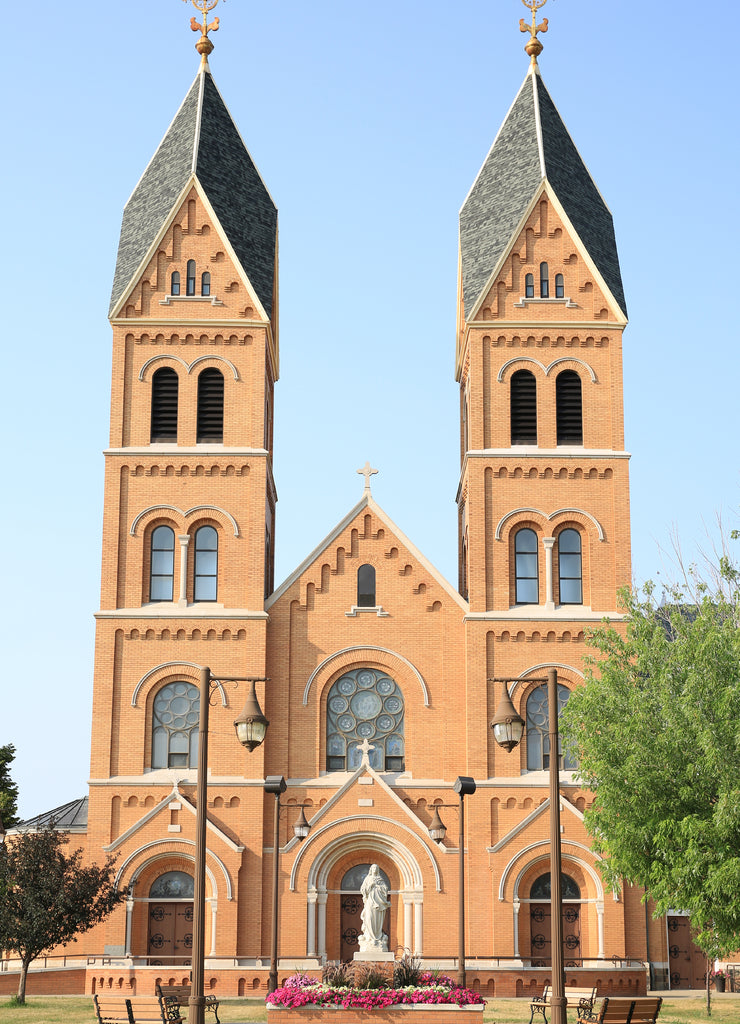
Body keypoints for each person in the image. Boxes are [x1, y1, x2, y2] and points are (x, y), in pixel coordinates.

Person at [358, 864, 390, 952]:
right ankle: (369, 937)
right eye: (373, 868)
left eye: (376, 868)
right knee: (369, 918)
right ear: (371, 869)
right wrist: (370, 886)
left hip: (379, 903)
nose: (375, 869)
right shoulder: (367, 879)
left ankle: (377, 937)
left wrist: (378, 887)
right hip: (370, 902)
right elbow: (363, 890)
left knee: (377, 920)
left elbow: (385, 889)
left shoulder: (380, 879)